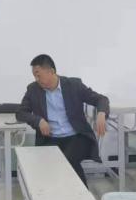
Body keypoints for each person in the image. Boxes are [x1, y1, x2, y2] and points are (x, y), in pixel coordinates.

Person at [17, 54, 109, 185]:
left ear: (51, 71)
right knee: (46, 168)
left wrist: (101, 113)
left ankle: (81, 195)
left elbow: (101, 99)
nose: (36, 79)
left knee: (67, 161)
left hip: (76, 137)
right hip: (50, 138)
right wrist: (38, 121)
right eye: (34, 76)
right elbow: (21, 113)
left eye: (38, 75)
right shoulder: (33, 89)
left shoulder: (74, 85)